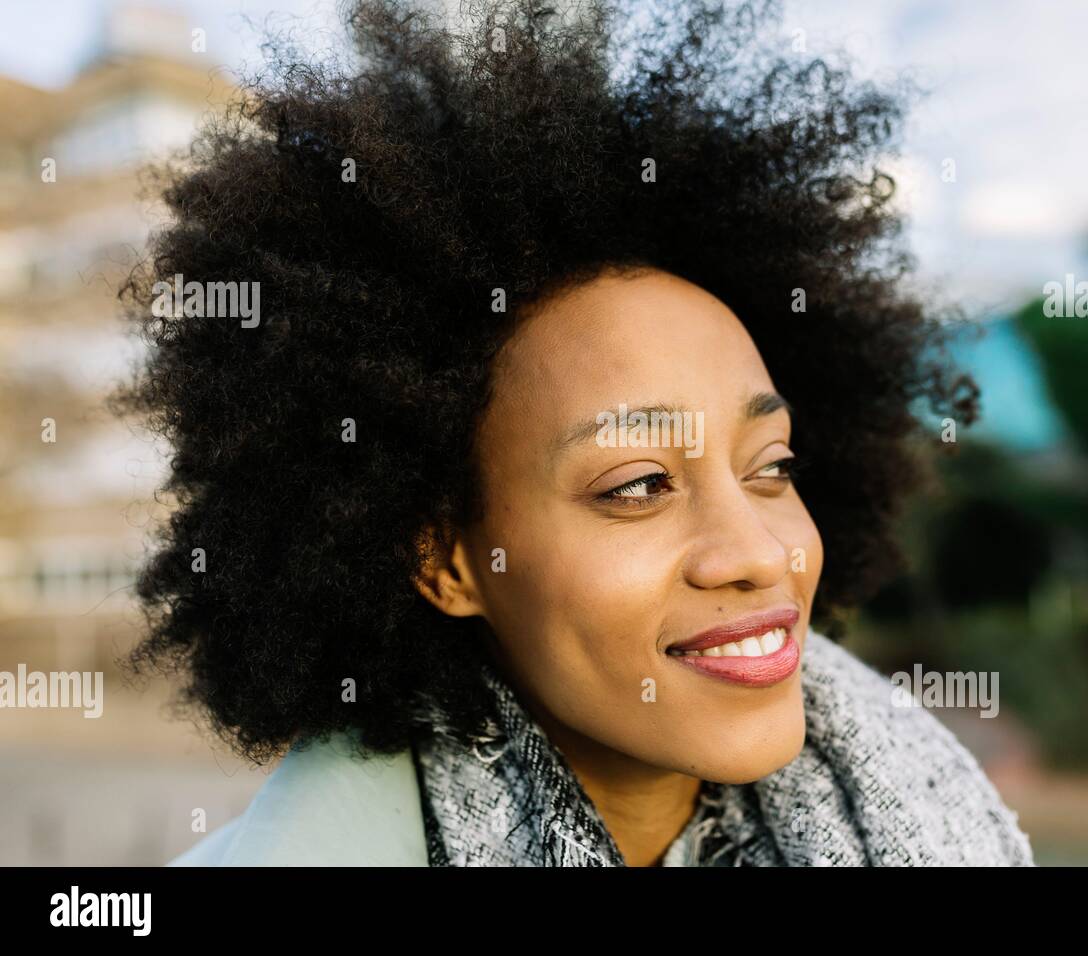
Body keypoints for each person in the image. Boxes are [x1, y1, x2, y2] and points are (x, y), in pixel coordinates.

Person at [118, 0, 1033, 866]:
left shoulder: (928, 816)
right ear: (447, 562)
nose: (757, 552)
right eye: (638, 484)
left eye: (771, 467)